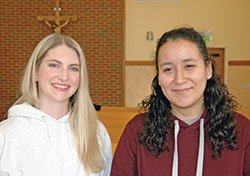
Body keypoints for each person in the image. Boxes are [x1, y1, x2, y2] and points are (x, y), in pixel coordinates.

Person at [111, 27, 250, 176]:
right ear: (158, 76)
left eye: (189, 66)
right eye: (168, 69)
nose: (179, 79)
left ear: (208, 69)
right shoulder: (137, 130)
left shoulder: (242, 130)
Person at [0, 33, 112, 175]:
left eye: (73, 68)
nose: (64, 77)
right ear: (35, 72)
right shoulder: (6, 134)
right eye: (54, 65)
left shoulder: (96, 133)